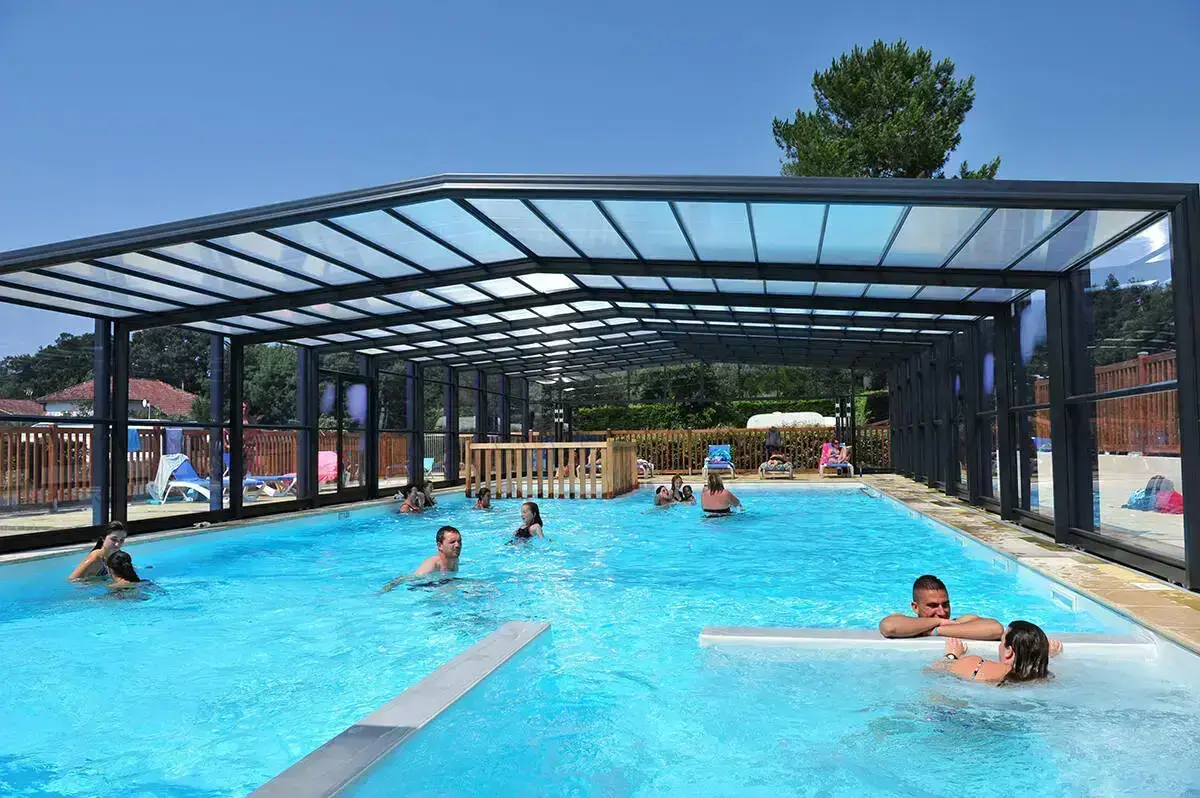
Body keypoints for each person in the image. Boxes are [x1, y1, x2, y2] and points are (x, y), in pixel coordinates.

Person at [878, 574, 1006, 640]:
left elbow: (996, 629)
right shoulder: (906, 622)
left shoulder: (960, 622)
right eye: (933, 605)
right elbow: (890, 627)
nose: (941, 612)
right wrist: (938, 622)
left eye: (945, 605)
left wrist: (937, 630)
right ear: (915, 607)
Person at [931, 621, 1053, 685]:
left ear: (1009, 651)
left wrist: (952, 655)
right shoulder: (1045, 679)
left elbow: (934, 670)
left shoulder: (977, 666)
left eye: (1001, 641)